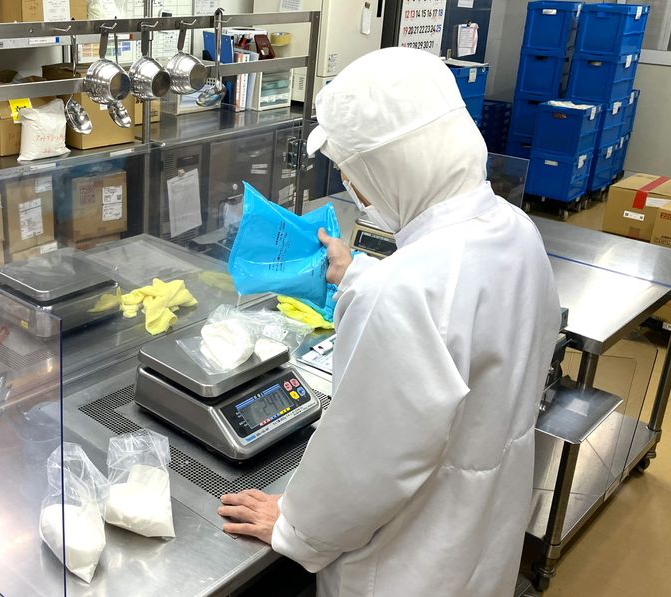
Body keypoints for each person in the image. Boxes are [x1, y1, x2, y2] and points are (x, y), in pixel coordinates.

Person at [219, 47, 561, 596]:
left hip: (407, 566)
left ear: (392, 166)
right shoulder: (516, 231)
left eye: (356, 174)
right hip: (480, 538)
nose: (356, 190)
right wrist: (357, 274)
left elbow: (366, 464)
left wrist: (296, 524)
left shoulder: (408, 286)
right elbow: (454, 313)